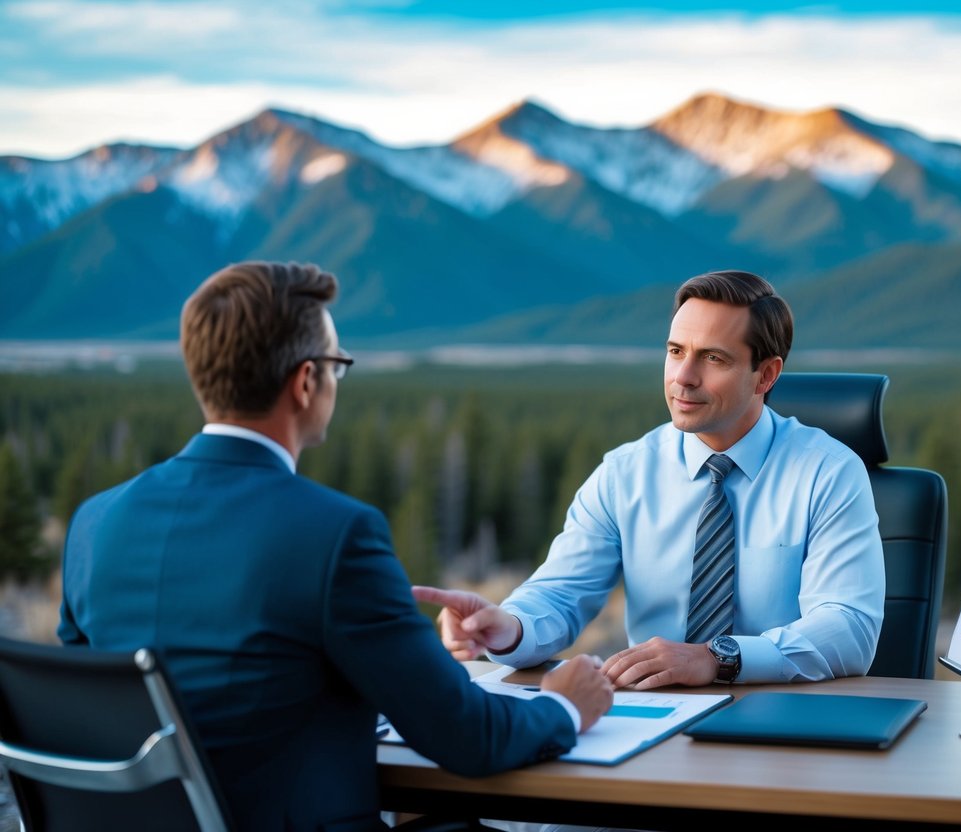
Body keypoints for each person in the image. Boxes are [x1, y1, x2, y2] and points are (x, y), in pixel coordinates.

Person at [58, 261, 613, 832]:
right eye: (337, 365)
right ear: (305, 382)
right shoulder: (335, 534)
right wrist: (565, 704)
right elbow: (468, 738)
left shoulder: (93, 523)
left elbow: (82, 712)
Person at [415, 270, 885, 691]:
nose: (683, 377)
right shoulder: (626, 473)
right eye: (675, 351)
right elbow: (559, 594)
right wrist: (509, 626)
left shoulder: (828, 472)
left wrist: (715, 658)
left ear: (765, 375)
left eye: (713, 359)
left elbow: (848, 628)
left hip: (787, 716)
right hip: (654, 716)